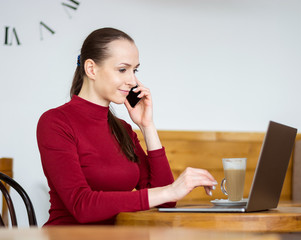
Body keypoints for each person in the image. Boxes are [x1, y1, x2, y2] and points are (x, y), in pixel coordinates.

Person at [37, 27, 217, 226]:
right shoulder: (55, 122)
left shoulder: (122, 129)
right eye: (123, 69)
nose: (132, 81)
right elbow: (82, 206)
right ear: (91, 69)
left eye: (135, 70)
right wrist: (170, 190)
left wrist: (147, 126)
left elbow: (166, 201)